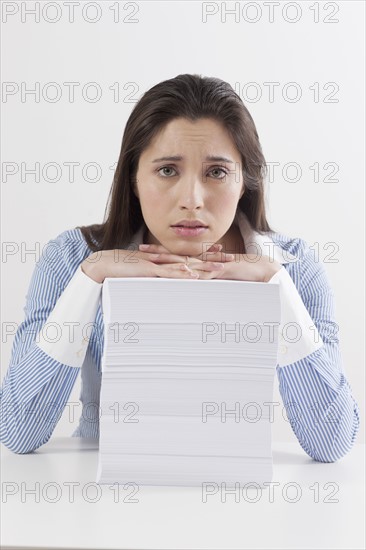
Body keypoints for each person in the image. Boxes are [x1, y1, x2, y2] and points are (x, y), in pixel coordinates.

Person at [0, 74, 359, 460]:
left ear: (245, 183)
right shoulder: (72, 258)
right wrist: (89, 281)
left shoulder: (295, 266)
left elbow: (331, 445)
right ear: (134, 179)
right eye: (168, 170)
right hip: (105, 490)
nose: (191, 199)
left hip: (236, 492)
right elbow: (20, 432)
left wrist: (279, 288)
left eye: (216, 172)